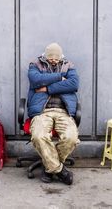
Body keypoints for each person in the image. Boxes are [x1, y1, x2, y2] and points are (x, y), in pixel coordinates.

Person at [27, 42, 80, 185]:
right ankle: (59, 170)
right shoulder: (35, 64)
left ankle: (49, 166)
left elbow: (73, 84)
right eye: (51, 59)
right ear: (46, 56)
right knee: (38, 135)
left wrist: (47, 88)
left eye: (56, 59)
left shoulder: (68, 65)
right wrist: (60, 77)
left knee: (71, 138)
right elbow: (35, 80)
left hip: (63, 111)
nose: (54, 61)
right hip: (42, 112)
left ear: (60, 57)